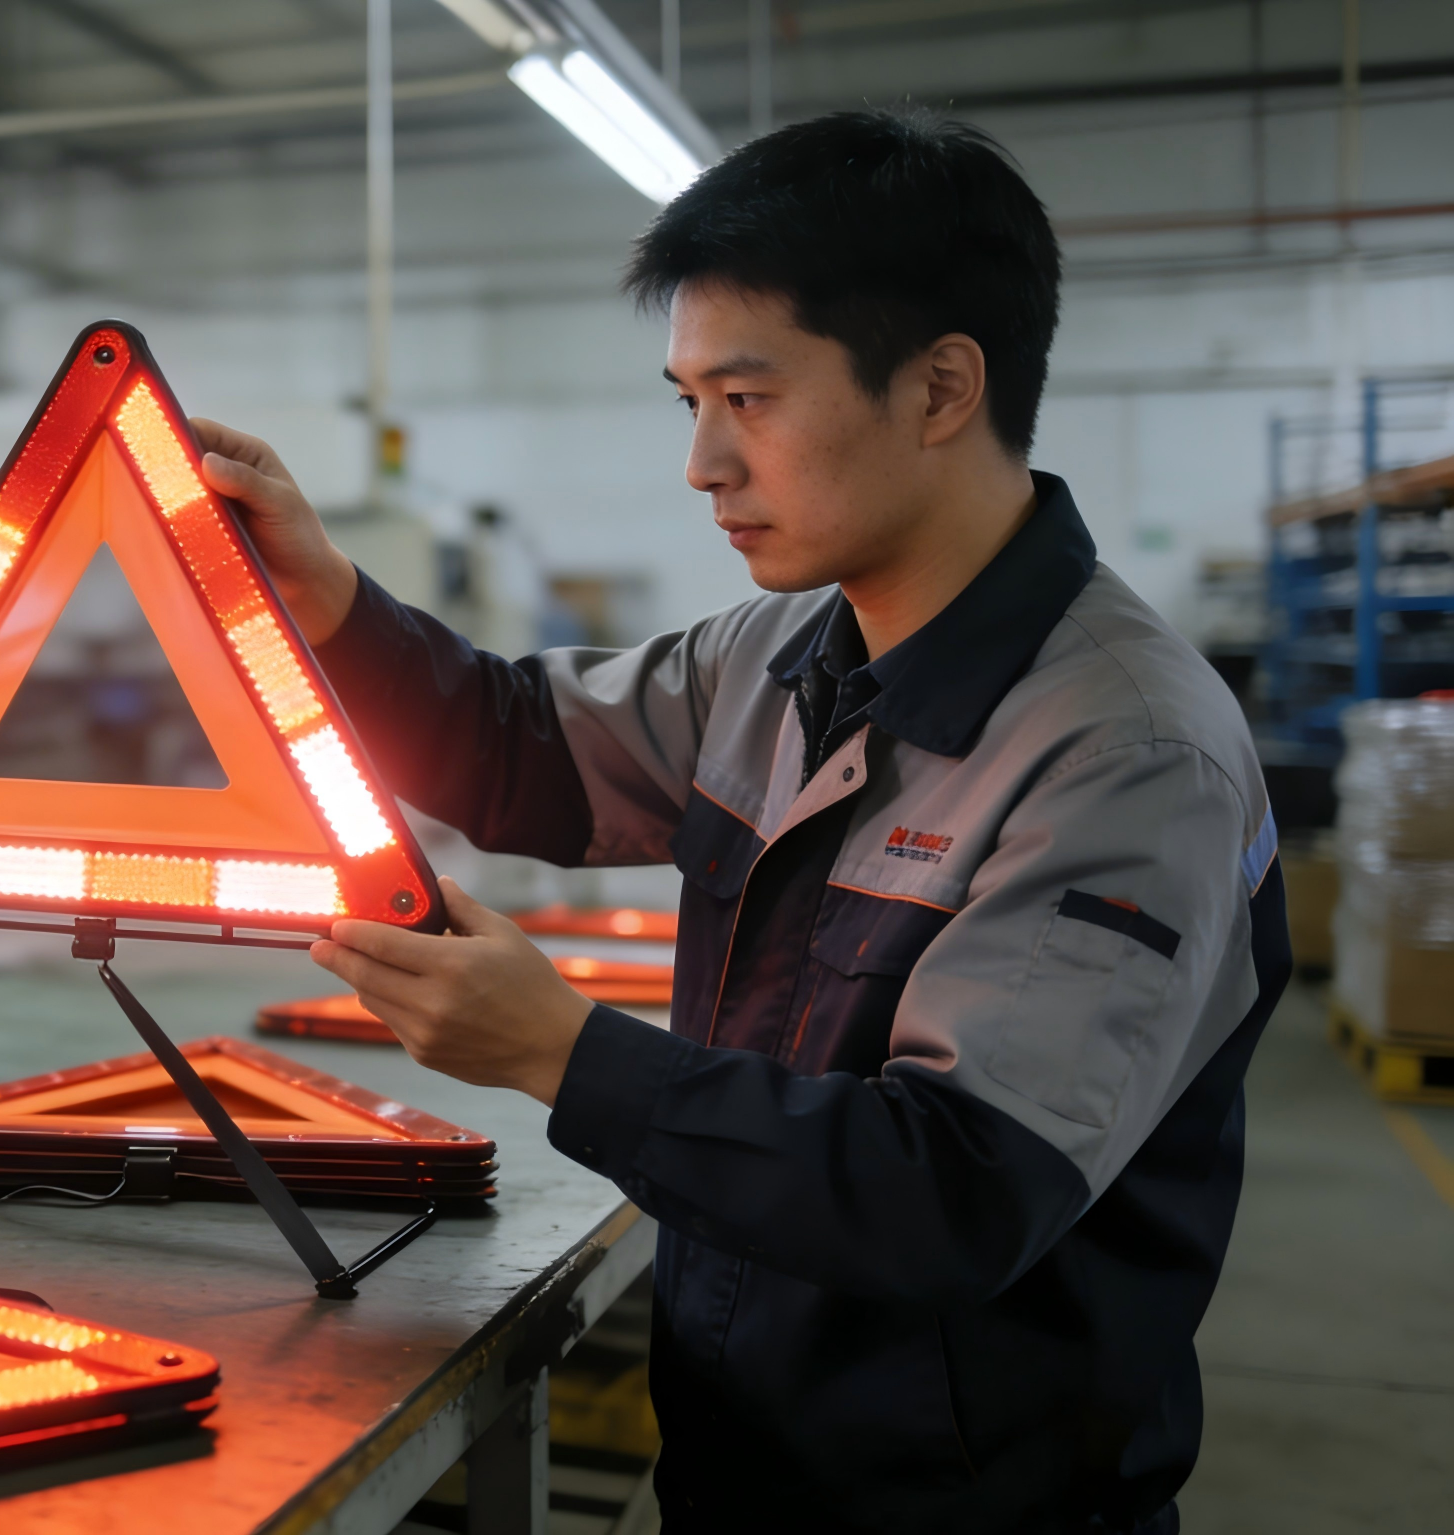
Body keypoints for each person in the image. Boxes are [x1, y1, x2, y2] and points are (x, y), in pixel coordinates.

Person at [191, 108, 1288, 1534]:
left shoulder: (1125, 752)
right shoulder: (771, 660)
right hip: (737, 1463)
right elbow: (519, 751)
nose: (704, 461)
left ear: (941, 387)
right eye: (688, 401)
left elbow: (957, 1190)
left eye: (748, 398)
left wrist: (561, 1051)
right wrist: (329, 600)